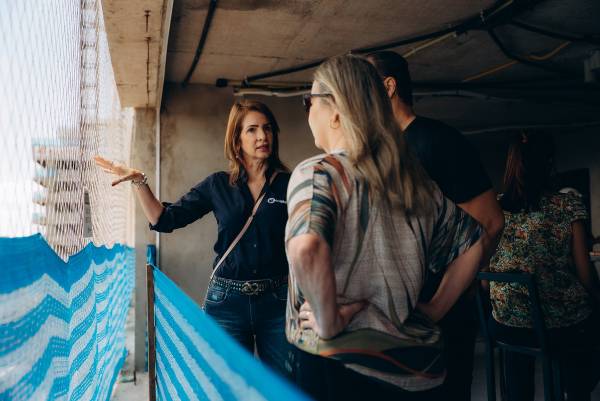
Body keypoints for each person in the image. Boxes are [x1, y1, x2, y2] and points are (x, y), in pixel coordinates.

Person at [285, 54, 486, 401]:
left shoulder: (320, 173)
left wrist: (329, 320)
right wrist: (437, 308)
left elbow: (307, 247)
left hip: (340, 369)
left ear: (335, 109)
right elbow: (474, 244)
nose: (308, 112)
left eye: (310, 101)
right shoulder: (415, 185)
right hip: (415, 371)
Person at [95, 100, 293, 378]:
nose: (262, 136)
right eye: (252, 130)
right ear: (236, 140)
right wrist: (139, 180)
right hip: (228, 302)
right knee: (226, 386)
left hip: (277, 301)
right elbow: (165, 219)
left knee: (284, 386)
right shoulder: (218, 185)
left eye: (267, 128)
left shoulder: (291, 184)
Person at [367, 51, 505, 401]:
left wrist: (442, 303)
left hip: (440, 318)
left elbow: (489, 221)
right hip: (397, 315)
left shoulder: (437, 141)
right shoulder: (382, 152)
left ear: (388, 87)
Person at [489, 132, 600, 401]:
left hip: (507, 325)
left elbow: (485, 273)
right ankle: (575, 391)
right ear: (550, 163)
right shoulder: (567, 205)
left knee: (520, 337)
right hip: (559, 326)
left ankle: (518, 395)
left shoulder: (494, 207)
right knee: (591, 323)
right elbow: (585, 271)